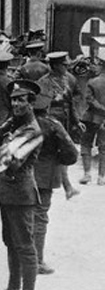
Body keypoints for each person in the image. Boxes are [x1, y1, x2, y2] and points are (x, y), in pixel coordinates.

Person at [0, 79, 43, 290]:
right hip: (7, 192)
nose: (16, 104)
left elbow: (13, 162)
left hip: (21, 193)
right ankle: (12, 289)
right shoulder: (17, 125)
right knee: (11, 242)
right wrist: (8, 124)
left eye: (21, 100)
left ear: (31, 102)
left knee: (24, 245)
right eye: (13, 99)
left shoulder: (32, 131)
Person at [32, 93, 78, 275]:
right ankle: (37, 260)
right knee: (40, 217)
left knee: (24, 215)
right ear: (47, 108)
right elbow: (72, 153)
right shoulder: (53, 125)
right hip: (46, 176)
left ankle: (24, 257)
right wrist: (57, 159)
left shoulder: (21, 123)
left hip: (24, 175)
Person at [37, 51, 84, 199]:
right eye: (64, 65)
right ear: (55, 66)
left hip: (64, 121)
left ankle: (67, 186)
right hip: (49, 122)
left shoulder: (68, 79)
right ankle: (52, 186)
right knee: (49, 154)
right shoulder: (43, 82)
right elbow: (40, 106)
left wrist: (77, 122)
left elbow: (71, 104)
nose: (67, 67)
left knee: (63, 152)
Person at [80, 61, 105, 184]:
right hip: (103, 120)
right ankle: (101, 177)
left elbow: (89, 99)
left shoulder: (92, 82)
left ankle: (87, 174)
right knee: (103, 147)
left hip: (91, 117)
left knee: (86, 144)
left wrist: (100, 108)